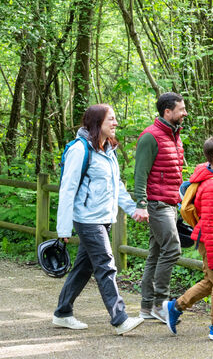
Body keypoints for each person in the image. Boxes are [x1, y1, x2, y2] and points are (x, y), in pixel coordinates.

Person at [53, 104, 148, 335]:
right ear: (97, 123)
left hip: (103, 217)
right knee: (106, 265)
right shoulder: (80, 149)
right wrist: (63, 227)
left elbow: (116, 187)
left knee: (84, 268)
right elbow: (67, 189)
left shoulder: (108, 150)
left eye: (115, 119)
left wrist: (132, 208)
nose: (115, 123)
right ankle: (120, 318)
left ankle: (62, 313)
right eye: (111, 119)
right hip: (87, 219)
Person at [163, 136, 213, 341]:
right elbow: (208, 222)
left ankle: (175, 307)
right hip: (211, 240)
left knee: (211, 281)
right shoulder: (211, 185)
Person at [134, 92, 187, 322]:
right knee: (173, 248)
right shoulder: (150, 137)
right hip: (156, 204)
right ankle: (160, 304)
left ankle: (147, 307)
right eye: (181, 109)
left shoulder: (175, 136)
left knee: (155, 255)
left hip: (171, 203)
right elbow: (140, 174)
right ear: (168, 112)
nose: (184, 113)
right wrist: (141, 205)